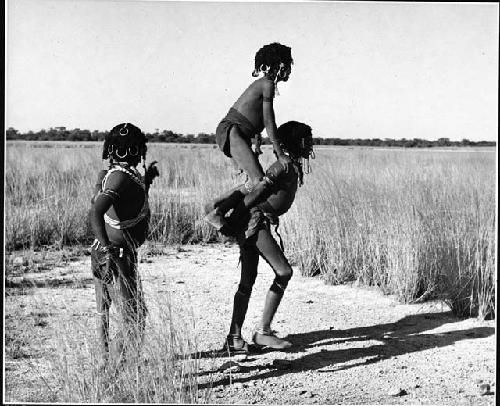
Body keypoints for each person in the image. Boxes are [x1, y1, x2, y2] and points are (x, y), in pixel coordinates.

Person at [219, 121, 314, 353]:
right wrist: (236, 217)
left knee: (247, 280)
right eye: (307, 140)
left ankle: (234, 336)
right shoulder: (283, 166)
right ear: (298, 143)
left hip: (255, 221)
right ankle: (263, 332)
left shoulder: (290, 165)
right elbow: (258, 190)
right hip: (255, 221)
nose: (310, 145)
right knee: (284, 272)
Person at [89, 123, 159, 369]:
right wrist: (109, 252)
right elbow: (96, 211)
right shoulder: (120, 177)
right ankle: (118, 371)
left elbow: (122, 205)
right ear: (137, 150)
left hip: (112, 252)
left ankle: (105, 364)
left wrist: (147, 181)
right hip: (114, 255)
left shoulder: (121, 175)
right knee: (135, 318)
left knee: (106, 313)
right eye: (140, 148)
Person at [204, 42, 294, 231]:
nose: (289, 70)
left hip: (237, 133)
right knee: (258, 182)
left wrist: (255, 146)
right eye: (287, 64)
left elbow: (257, 121)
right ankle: (222, 214)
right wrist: (280, 154)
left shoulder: (267, 85)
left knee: (253, 183)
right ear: (279, 65)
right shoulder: (267, 84)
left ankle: (215, 206)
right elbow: (269, 121)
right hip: (232, 131)